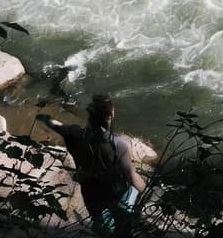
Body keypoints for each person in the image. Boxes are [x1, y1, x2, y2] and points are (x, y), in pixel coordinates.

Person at [38, 94, 147, 236]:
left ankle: (103, 226)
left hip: (92, 198)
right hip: (115, 197)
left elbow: (57, 125)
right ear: (110, 116)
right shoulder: (118, 145)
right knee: (133, 191)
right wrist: (148, 190)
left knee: (104, 226)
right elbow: (132, 178)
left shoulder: (74, 134)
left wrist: (44, 118)